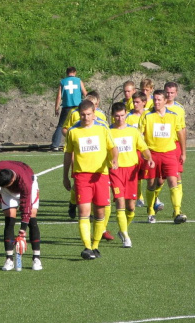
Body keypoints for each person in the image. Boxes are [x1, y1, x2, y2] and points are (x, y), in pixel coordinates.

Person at [63, 100, 118, 260]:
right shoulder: (73, 131)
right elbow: (68, 154)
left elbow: (113, 147)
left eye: (88, 114)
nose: (86, 117)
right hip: (82, 176)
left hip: (100, 175)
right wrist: (65, 175)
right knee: (84, 212)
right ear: (78, 114)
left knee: (100, 212)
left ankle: (95, 246)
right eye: (83, 114)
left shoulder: (102, 128)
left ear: (94, 113)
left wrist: (114, 159)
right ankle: (87, 247)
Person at [109, 102, 155, 248]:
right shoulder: (107, 131)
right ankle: (126, 237)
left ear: (126, 115)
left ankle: (123, 230)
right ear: (112, 116)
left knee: (131, 207)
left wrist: (149, 159)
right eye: (117, 116)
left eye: (122, 115)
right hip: (115, 171)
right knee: (120, 203)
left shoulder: (133, 132)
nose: (120, 119)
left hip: (131, 172)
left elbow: (143, 148)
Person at [139, 89, 186, 224]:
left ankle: (177, 211)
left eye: (159, 100)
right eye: (155, 99)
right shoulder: (147, 115)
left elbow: (180, 133)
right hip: (152, 154)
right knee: (152, 184)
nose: (156, 102)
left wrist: (183, 152)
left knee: (173, 181)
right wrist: (144, 153)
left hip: (169, 153)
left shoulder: (173, 115)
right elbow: (140, 135)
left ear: (165, 101)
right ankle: (150, 211)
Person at [0, 160, 42, 271]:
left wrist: (22, 232)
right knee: (9, 219)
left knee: (31, 217)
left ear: (12, 179)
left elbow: (25, 208)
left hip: (29, 184)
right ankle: (9, 259)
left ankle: (36, 258)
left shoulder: (25, 183)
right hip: (8, 191)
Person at [51, 67, 87, 151]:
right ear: (75, 72)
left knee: (61, 125)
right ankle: (81, 142)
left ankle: (55, 144)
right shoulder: (78, 80)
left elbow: (59, 96)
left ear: (66, 73)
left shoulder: (62, 82)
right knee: (80, 124)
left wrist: (56, 108)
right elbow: (85, 93)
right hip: (78, 107)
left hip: (66, 107)